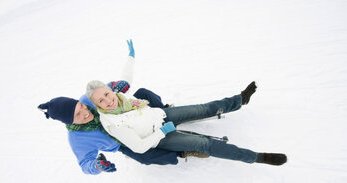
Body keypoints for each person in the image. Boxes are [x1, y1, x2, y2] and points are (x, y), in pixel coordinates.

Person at [38, 40, 206, 175]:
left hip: (127, 114)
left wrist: (117, 84)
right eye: (77, 115)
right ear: (70, 122)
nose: (84, 112)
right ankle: (182, 151)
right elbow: (84, 164)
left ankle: (165, 111)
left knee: (143, 93)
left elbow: (104, 89)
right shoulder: (77, 138)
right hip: (122, 141)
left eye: (80, 106)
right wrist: (97, 165)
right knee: (144, 156)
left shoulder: (87, 99)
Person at [86, 78, 288, 166]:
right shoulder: (111, 122)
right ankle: (256, 157)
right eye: (100, 101)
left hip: (160, 115)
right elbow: (138, 147)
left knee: (202, 109)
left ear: (111, 90)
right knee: (204, 144)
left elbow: (127, 76)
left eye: (106, 94)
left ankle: (239, 100)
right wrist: (162, 132)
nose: (107, 101)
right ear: (97, 105)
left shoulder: (122, 99)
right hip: (158, 138)